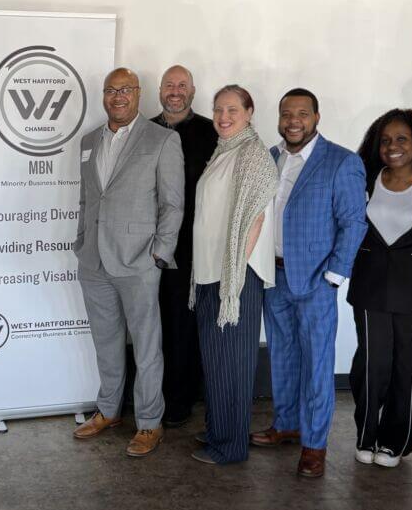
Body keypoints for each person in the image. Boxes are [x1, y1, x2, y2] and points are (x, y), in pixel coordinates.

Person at [252, 88, 367, 478]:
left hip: (317, 281)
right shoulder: (270, 158)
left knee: (317, 364)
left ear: (316, 117)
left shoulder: (341, 162)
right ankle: (286, 424)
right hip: (275, 275)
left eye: (302, 113)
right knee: (282, 356)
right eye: (286, 114)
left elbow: (354, 221)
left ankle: (314, 444)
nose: (293, 121)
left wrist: (334, 277)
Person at [71, 67, 184, 457]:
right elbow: (88, 199)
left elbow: (172, 204)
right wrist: (81, 241)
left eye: (125, 90)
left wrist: (159, 254)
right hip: (93, 261)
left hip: (139, 261)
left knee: (147, 344)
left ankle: (150, 423)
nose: (117, 96)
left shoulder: (163, 139)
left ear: (138, 94)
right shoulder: (88, 141)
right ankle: (108, 410)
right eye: (110, 90)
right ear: (103, 96)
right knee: (106, 341)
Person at [346, 109, 412, 468]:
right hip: (370, 285)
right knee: (372, 364)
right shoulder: (365, 178)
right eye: (386, 140)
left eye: (402, 139)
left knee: (409, 367)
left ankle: (394, 442)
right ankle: (366, 436)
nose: (393, 146)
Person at [189, 85, 278, 464]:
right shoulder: (224, 151)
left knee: (233, 366)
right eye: (218, 109)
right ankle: (217, 432)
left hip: (235, 278)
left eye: (232, 110)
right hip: (212, 272)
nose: (223, 117)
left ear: (249, 111)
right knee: (215, 361)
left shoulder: (253, 155)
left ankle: (230, 447)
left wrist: (234, 276)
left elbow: (255, 219)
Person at [150, 65, 217, 428]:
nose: (175, 91)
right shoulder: (143, 131)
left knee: (181, 322)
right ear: (159, 90)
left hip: (191, 247)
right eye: (169, 85)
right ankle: (151, 395)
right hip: (146, 245)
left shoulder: (211, 132)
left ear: (192, 90)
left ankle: (179, 399)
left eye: (182, 86)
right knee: (150, 323)